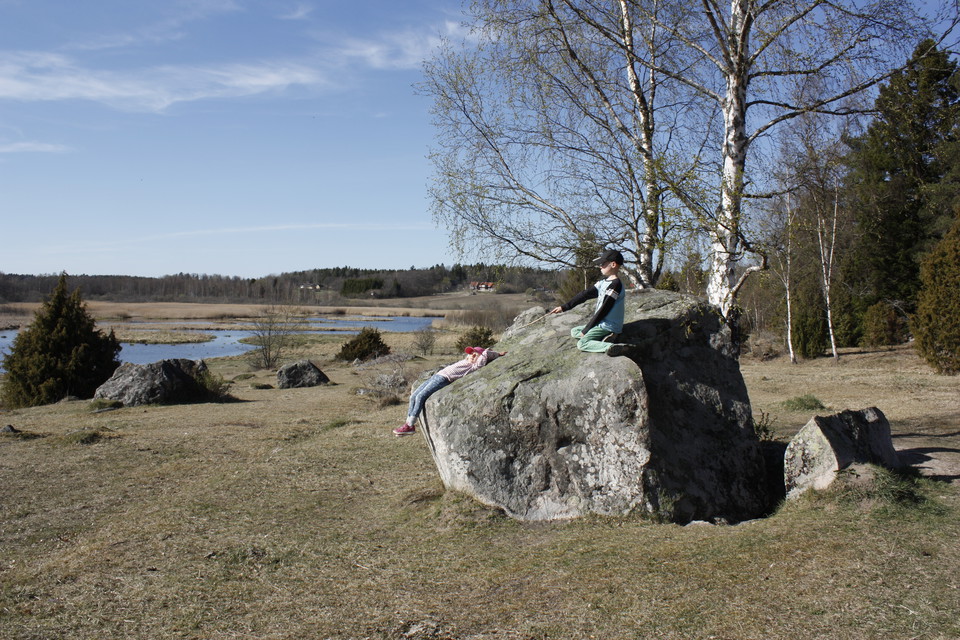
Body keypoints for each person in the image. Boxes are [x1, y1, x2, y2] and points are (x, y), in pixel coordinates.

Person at [393, 346, 506, 436]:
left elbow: (486, 354)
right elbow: (474, 355)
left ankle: (410, 425)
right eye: (470, 353)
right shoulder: (465, 361)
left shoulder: (474, 366)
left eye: (475, 354)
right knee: (413, 396)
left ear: (480, 357)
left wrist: (496, 354)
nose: (471, 355)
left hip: (443, 379)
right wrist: (475, 354)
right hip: (437, 375)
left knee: (420, 397)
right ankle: (407, 424)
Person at [549, 248, 628, 356]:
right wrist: (564, 307)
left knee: (582, 343)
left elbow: (604, 309)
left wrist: (587, 329)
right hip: (601, 324)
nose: (600, 266)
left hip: (608, 325)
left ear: (613, 264)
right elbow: (584, 295)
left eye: (603, 263)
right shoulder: (602, 283)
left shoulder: (616, 285)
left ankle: (612, 346)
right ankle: (605, 338)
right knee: (574, 331)